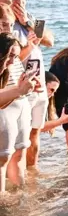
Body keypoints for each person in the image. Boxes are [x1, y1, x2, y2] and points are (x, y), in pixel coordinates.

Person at [8, 0, 53, 168]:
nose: (20, 0)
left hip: (39, 85)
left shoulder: (29, 17)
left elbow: (50, 40)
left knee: (35, 132)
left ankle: (32, 172)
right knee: (18, 141)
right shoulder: (5, 22)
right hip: (21, 87)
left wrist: (27, 22)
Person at [0, 31, 37, 193]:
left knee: (8, 156)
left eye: (15, 57)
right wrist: (18, 91)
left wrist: (21, 89)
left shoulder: (6, 70)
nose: (12, 62)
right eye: (10, 56)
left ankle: (13, 196)